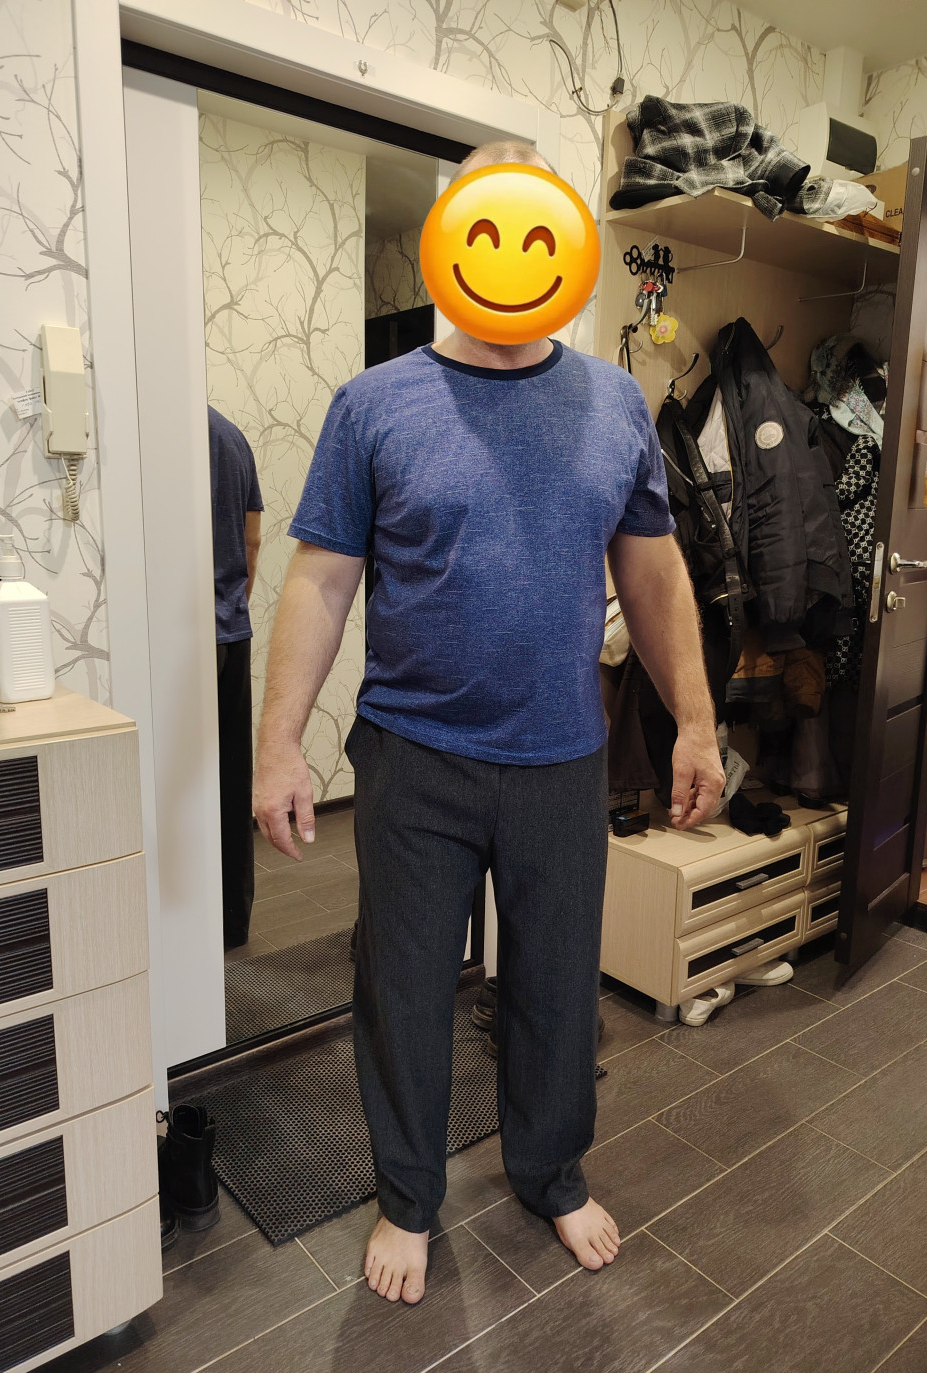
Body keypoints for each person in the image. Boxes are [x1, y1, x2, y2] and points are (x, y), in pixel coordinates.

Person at [252, 143, 724, 1306]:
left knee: (556, 984)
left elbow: (654, 575)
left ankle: (550, 1172)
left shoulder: (615, 403)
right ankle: (408, 1195)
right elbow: (319, 581)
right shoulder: (375, 404)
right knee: (405, 987)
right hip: (412, 756)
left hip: (561, 756)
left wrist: (697, 723)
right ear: (451, 235)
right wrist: (278, 745)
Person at [208, 405, 263, 950]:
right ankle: (231, 922)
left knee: (178, 782)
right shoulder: (230, 435)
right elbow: (252, 540)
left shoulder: (148, 431)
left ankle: (180, 920)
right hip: (230, 630)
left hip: (174, 641)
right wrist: (232, 603)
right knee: (230, 779)